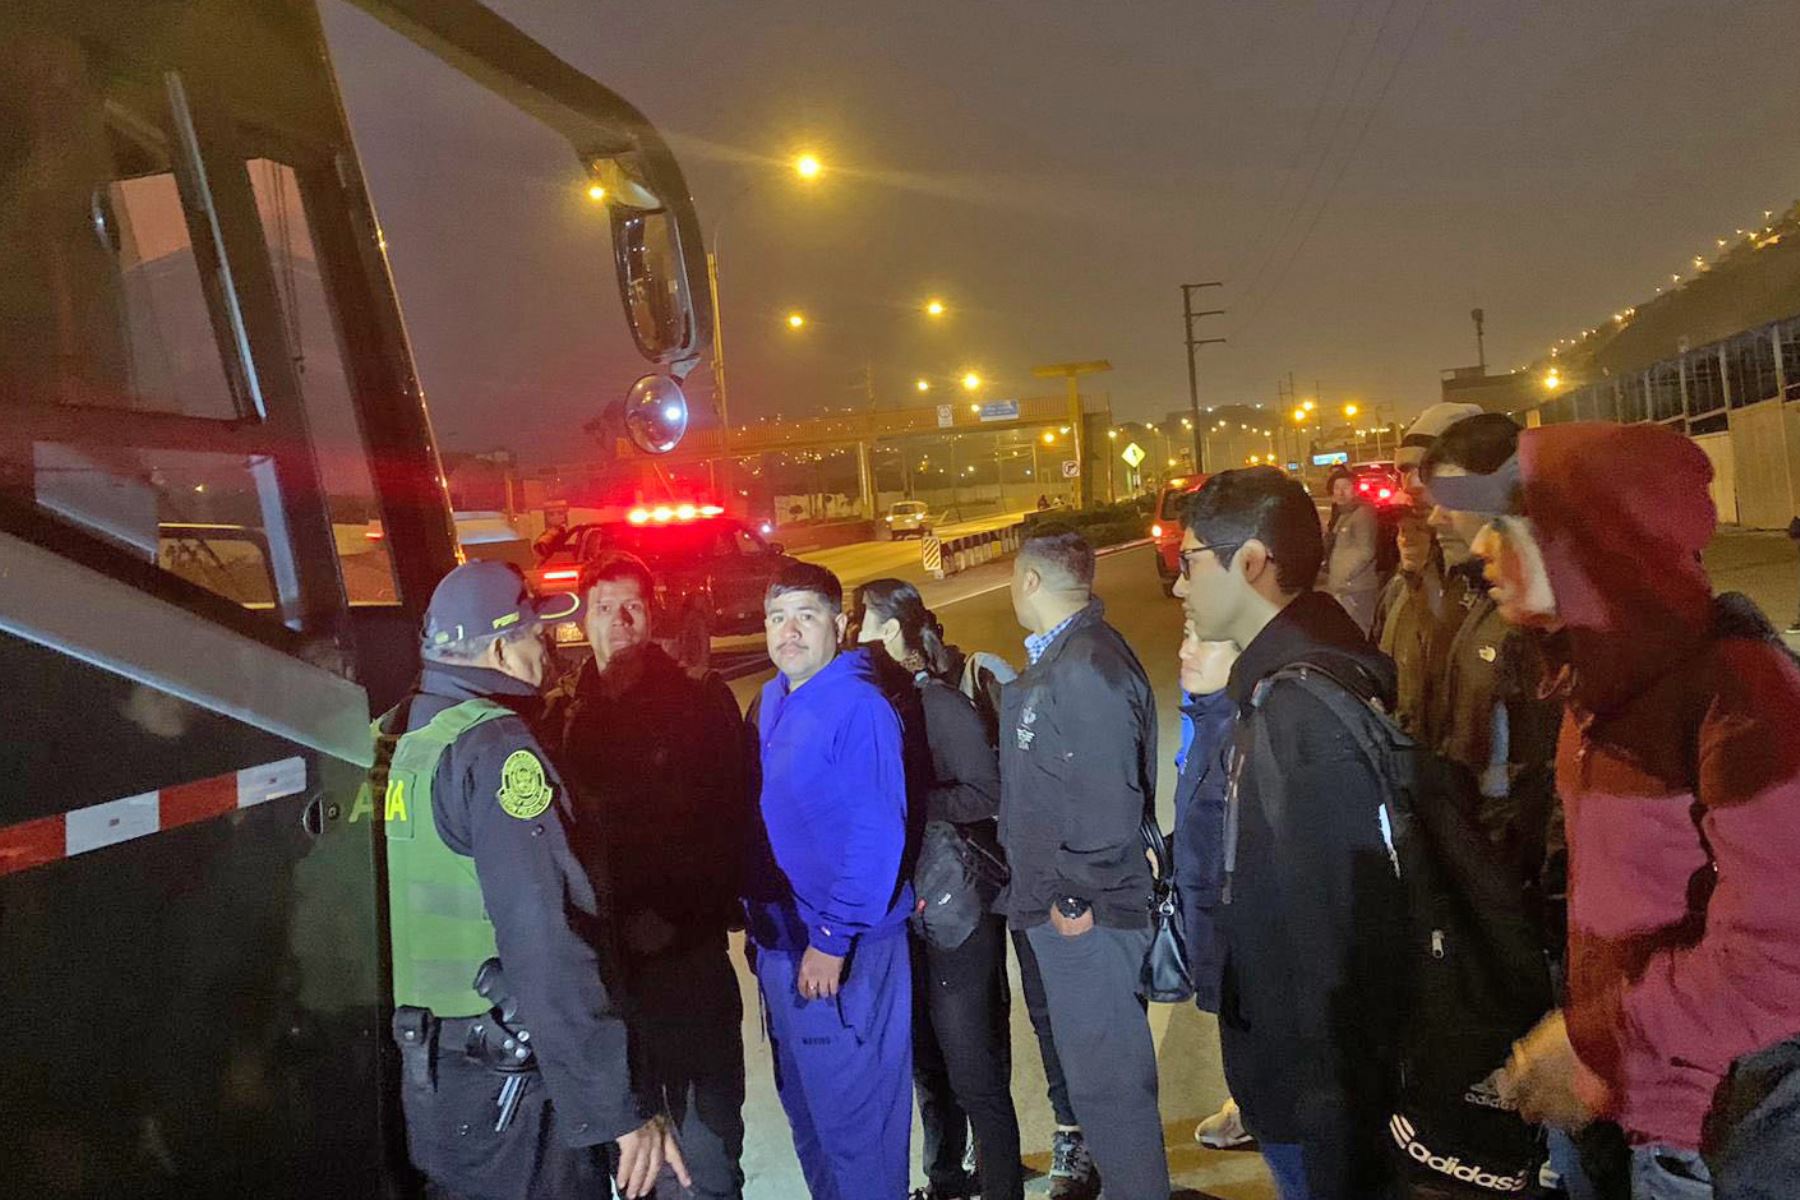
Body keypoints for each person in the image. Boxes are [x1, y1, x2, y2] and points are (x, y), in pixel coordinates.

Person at [1423, 422, 1800, 1200]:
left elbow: (1781, 954)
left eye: (1512, 525)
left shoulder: (1744, 696)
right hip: (1612, 1105)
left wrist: (1601, 1040)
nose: (1480, 547)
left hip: (1700, 1138)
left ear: (1590, 542)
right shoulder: (1591, 687)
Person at [372, 560, 686, 1200]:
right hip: (509, 1088)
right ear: (497, 650)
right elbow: (546, 939)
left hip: (434, 1073)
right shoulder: (496, 752)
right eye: (535, 633)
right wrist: (617, 1107)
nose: (547, 643)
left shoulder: (399, 735)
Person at [1177, 467, 1407, 1200]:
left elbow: (1339, 941)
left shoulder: (1298, 708)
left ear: (1250, 563)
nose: (1179, 587)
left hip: (1316, 1094)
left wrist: (1317, 1108)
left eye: (1189, 564)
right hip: (1295, 1073)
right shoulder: (1280, 684)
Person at [541, 551, 749, 1199]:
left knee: (707, 1149)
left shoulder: (697, 701)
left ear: (652, 611)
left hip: (682, 960)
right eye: (603, 608)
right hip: (602, 969)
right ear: (585, 620)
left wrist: (681, 914)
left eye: (631, 605)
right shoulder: (561, 715)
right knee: (629, 1157)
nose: (619, 620)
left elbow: (733, 822)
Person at [997, 525, 1170, 1200]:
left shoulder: (1085, 666)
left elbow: (1106, 808)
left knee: (1113, 1093)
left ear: (1031, 581)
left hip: (1088, 917)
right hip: (1071, 909)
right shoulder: (1067, 658)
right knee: (1101, 1091)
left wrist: (1070, 901)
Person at [745, 562, 914, 1200]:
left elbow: (876, 833)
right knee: (811, 1122)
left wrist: (834, 936)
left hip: (844, 951)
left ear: (839, 626)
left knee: (858, 1130)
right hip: (786, 943)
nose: (789, 632)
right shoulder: (776, 700)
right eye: (776, 617)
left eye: (806, 616)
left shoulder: (858, 707)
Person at [854, 579, 1024, 1200]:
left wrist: (912, 803)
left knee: (972, 1066)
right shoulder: (885, 706)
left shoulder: (940, 705)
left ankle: (1002, 1185)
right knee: (926, 1060)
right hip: (911, 910)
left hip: (958, 908)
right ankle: (945, 1178)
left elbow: (988, 792)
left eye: (862, 622)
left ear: (894, 632)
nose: (853, 636)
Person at [1168, 623, 1247, 1149]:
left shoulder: (1242, 730)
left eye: (1202, 640)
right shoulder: (1205, 715)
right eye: (1186, 635)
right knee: (1232, 1018)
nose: (1184, 650)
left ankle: (1257, 1110)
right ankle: (1248, 1103)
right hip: (1206, 899)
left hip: (1233, 913)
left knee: (1247, 1019)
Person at [1368, 503, 1443, 737]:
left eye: (1418, 530)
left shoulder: (1445, 597)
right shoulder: (1396, 588)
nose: (1407, 540)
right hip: (1397, 728)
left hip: (1427, 737)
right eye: (1402, 532)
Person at [1322, 465, 1381, 636]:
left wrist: (1345, 577)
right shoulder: (1342, 515)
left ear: (1355, 489)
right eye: (1337, 488)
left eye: (1346, 487)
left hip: (1357, 588)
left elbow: (1366, 550)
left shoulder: (1363, 513)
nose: (1341, 493)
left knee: (1358, 634)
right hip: (1345, 589)